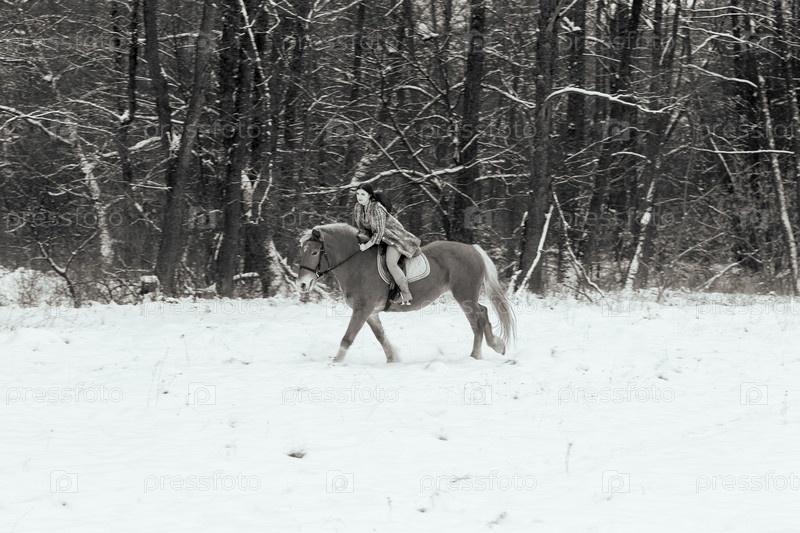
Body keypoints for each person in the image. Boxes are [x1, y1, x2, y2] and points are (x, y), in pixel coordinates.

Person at [353, 183, 421, 305]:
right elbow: (361, 228)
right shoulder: (358, 208)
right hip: (377, 239)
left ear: (369, 195)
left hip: (393, 238)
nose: (359, 196)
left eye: (363, 194)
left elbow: (379, 232)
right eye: (357, 194)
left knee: (391, 263)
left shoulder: (377, 208)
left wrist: (366, 246)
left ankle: (406, 293)